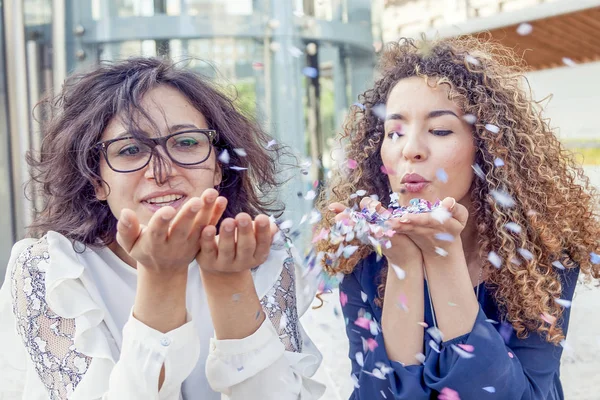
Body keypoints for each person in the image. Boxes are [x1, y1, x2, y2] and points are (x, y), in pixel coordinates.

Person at [0, 57, 325, 399]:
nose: (161, 171)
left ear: (219, 166)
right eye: (130, 150)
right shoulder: (50, 270)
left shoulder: (254, 250)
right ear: (96, 180)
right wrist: (161, 276)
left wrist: (229, 282)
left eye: (186, 143)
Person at [315, 37, 600, 399]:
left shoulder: (541, 257)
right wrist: (403, 265)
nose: (411, 149)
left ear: (487, 148)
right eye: (394, 132)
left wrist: (442, 257)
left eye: (440, 130)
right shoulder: (364, 260)